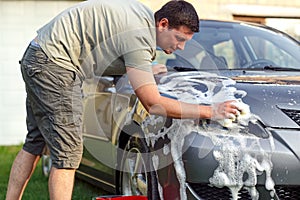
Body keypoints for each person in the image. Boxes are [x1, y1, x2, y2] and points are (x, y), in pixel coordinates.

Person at [6, 0, 241, 199]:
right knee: (68, 155)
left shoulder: (140, 18)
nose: (180, 47)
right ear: (163, 24)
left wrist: (143, 69)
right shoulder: (140, 38)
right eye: (179, 38)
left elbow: (108, 47)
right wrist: (211, 111)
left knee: (35, 143)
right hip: (56, 65)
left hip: (38, 54)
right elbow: (153, 103)